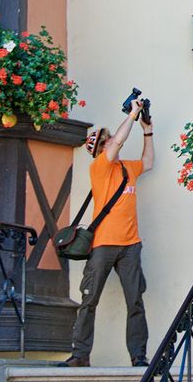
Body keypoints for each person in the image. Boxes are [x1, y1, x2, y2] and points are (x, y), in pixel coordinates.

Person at [59, 100, 154, 367]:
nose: (110, 140)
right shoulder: (99, 168)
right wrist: (133, 115)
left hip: (131, 245)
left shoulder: (126, 169)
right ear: (99, 150)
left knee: (135, 302)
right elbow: (117, 145)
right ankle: (80, 355)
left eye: (109, 137)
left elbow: (147, 162)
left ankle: (138, 356)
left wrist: (147, 131)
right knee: (89, 301)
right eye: (105, 141)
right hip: (103, 244)